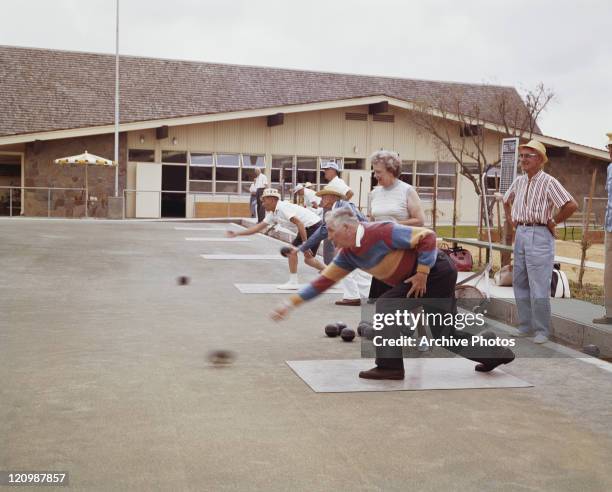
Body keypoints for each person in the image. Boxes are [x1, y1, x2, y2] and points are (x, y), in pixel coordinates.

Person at [271, 208, 515, 380]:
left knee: (388, 306)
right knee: (443, 334)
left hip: (435, 271)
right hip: (420, 278)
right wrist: (290, 304)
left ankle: (389, 367)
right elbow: (322, 282)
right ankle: (494, 352)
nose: (330, 239)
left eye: (332, 233)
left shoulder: (380, 231)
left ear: (347, 227)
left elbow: (427, 237)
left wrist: (421, 272)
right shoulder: (348, 255)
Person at [503, 139, 578, 343]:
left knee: (539, 283)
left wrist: (553, 221)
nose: (524, 160)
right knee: (520, 281)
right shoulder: (519, 181)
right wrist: (511, 221)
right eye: (523, 156)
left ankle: (542, 330)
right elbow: (505, 200)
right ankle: (525, 326)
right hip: (522, 233)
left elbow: (571, 205)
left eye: (529, 156)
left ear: (540, 160)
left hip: (540, 232)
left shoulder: (549, 181)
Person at [286, 183, 372, 306]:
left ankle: (357, 296)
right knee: (355, 269)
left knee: (346, 265)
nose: (321, 200)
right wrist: (303, 247)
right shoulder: (336, 209)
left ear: (332, 197)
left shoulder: (343, 207)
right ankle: (362, 296)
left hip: (357, 240)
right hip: (358, 240)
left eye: (324, 197)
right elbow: (323, 229)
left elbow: (352, 223)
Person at [226, 188, 326, 289]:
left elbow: (299, 223)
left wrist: (305, 243)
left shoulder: (283, 207)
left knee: (292, 252)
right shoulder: (272, 214)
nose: (263, 204)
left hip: (312, 226)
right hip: (308, 227)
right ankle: (330, 274)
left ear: (273, 200)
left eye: (264, 200)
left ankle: (294, 282)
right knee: (308, 259)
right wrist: (237, 233)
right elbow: (257, 228)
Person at [368, 150, 426, 300]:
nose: (375, 175)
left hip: (402, 255)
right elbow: (372, 220)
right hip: (382, 255)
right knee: (379, 300)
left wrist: (394, 225)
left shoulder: (406, 190)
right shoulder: (374, 193)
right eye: (374, 171)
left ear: (391, 170)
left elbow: (420, 220)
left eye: (378, 171)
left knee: (400, 302)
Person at [593, 133, 612, 324]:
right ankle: (610, 314)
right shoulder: (610, 168)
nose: (610, 150)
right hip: (610, 226)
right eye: (609, 147)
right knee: (609, 272)